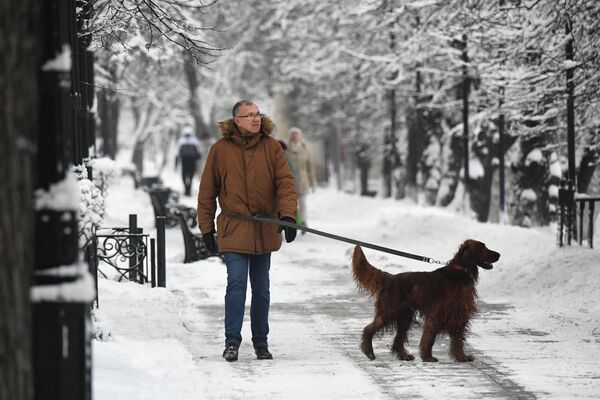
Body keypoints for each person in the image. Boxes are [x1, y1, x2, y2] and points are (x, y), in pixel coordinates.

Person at [197, 100, 298, 362]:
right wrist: (206, 229)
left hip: (265, 229)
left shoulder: (271, 147)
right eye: (249, 115)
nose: (255, 119)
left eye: (257, 114)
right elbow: (207, 192)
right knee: (237, 284)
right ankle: (232, 341)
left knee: (261, 289)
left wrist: (288, 215)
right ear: (236, 121)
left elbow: (285, 183)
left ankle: (261, 342)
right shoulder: (220, 150)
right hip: (234, 228)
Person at [286, 127, 316, 232]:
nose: (295, 136)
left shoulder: (304, 149)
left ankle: (303, 223)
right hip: (290, 181)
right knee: (292, 204)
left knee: (303, 203)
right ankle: (294, 223)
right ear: (290, 136)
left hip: (303, 181)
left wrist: (313, 182)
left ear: (300, 136)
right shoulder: (286, 149)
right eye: (293, 134)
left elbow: (310, 167)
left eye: (297, 134)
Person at [175, 126, 202, 196]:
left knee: (191, 176)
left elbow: (199, 152)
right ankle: (186, 189)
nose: (187, 136)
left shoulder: (195, 141)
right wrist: (176, 161)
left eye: (188, 134)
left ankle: (188, 189)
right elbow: (177, 152)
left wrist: (198, 160)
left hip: (192, 161)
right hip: (184, 161)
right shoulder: (181, 141)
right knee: (184, 176)